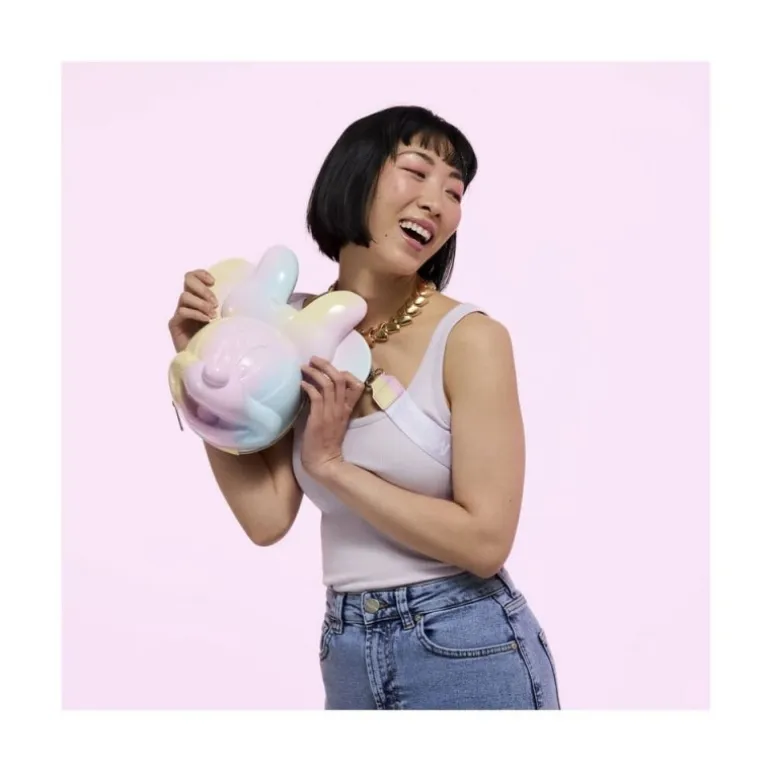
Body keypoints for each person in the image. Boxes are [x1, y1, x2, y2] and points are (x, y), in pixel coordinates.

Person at [167, 105, 561, 710]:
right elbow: (265, 519)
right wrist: (199, 368)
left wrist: (332, 467)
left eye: (454, 191)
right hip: (346, 646)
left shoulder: (470, 339)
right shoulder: (289, 330)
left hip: (466, 644)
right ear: (355, 176)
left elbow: (486, 543)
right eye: (416, 171)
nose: (437, 202)